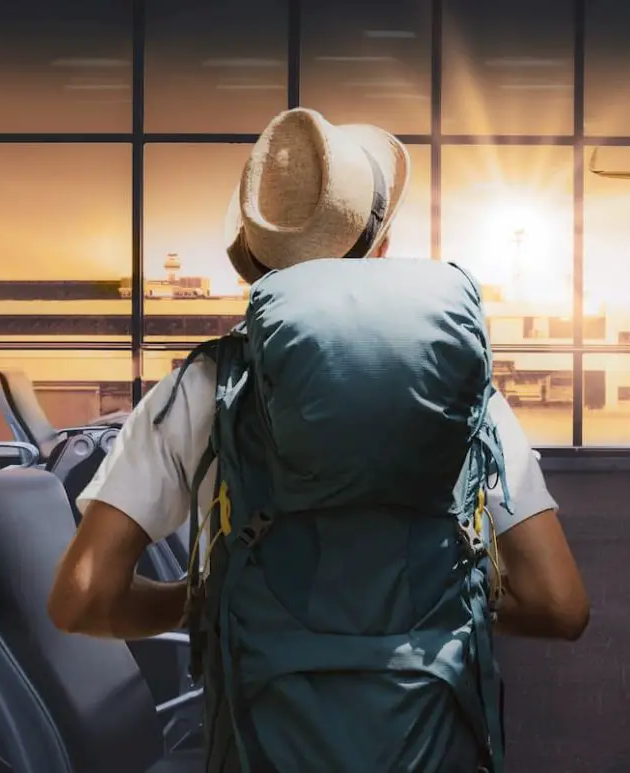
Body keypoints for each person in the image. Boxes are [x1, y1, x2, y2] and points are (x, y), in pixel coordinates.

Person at [48, 107, 589, 771]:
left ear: (255, 264)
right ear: (381, 248)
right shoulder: (462, 390)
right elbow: (562, 605)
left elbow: (82, 597)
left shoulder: (204, 389)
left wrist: (209, 606)